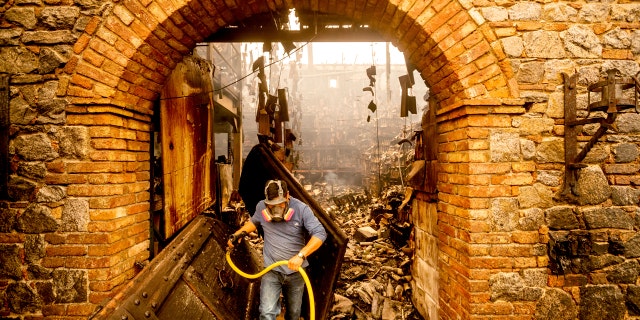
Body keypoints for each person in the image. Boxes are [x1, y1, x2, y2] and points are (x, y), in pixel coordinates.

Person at [228, 179, 327, 320]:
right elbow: (254, 222)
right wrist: (240, 233)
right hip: (272, 270)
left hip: (296, 273)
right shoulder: (261, 207)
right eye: (271, 205)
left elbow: (320, 233)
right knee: (267, 312)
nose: (275, 209)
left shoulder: (301, 209)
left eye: (279, 204)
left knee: (294, 314)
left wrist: (301, 255)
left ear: (287, 196)